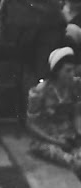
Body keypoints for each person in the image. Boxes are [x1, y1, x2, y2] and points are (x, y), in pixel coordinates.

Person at [25, 47, 81, 176]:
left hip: (69, 136)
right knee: (68, 159)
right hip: (47, 139)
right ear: (57, 71)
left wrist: (78, 132)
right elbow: (31, 124)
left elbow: (77, 112)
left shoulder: (74, 86)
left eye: (73, 70)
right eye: (67, 71)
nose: (72, 74)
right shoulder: (40, 91)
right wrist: (55, 141)